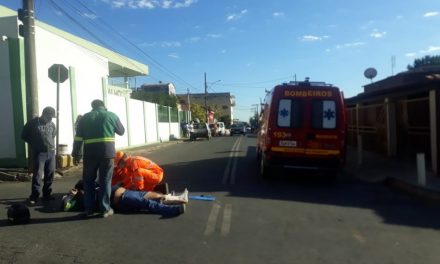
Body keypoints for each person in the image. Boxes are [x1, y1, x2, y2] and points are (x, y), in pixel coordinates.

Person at [71, 99, 125, 218]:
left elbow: (78, 138)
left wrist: (76, 154)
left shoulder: (84, 118)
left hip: (89, 155)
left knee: (88, 181)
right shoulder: (111, 115)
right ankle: (105, 209)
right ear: (104, 106)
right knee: (105, 181)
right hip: (107, 154)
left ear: (92, 107)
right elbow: (121, 131)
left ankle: (89, 209)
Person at [62, 180, 188, 217]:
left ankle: (177, 198)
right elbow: (65, 205)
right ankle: (173, 210)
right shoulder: (84, 199)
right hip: (122, 199)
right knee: (147, 204)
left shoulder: (97, 187)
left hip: (127, 192)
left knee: (152, 195)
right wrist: (70, 195)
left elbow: (107, 185)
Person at [21, 106, 57, 205]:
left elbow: (53, 135)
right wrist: (34, 144)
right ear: (44, 115)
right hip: (39, 153)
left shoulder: (52, 124)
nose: (50, 119)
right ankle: (34, 196)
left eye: (52, 117)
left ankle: (47, 194)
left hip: (51, 152)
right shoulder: (32, 123)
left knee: (50, 174)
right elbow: (24, 135)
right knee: (37, 175)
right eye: (49, 117)